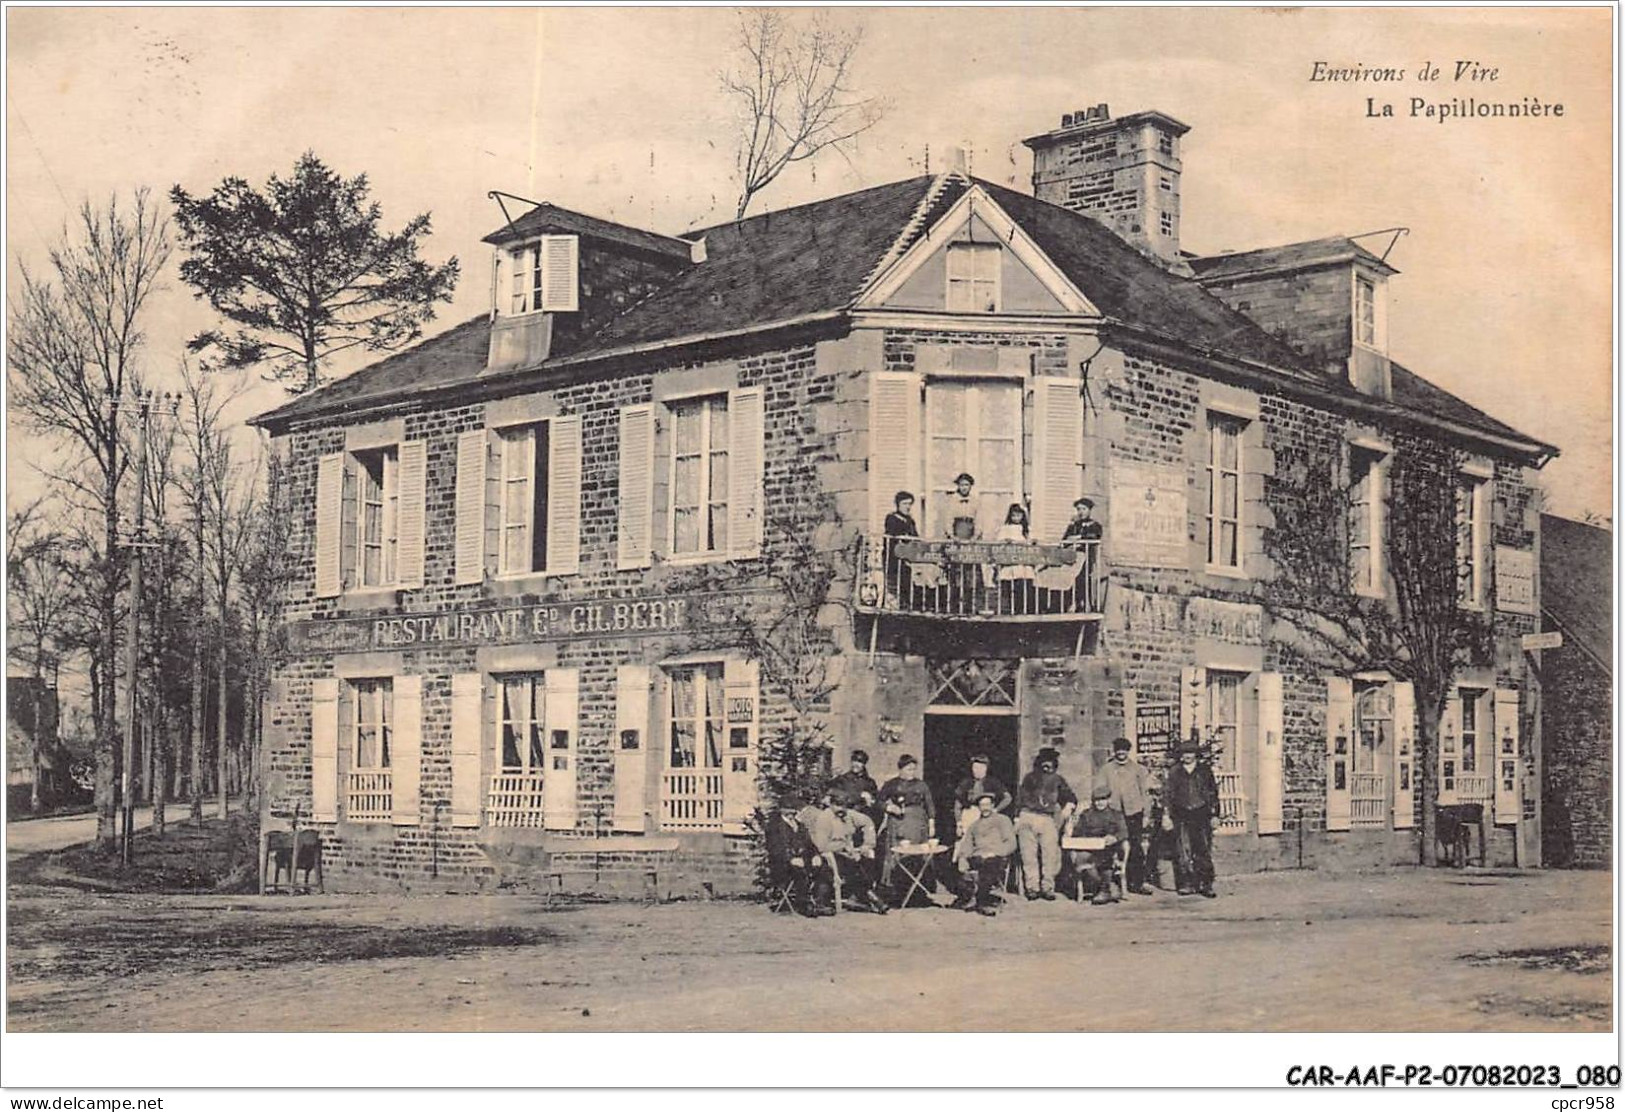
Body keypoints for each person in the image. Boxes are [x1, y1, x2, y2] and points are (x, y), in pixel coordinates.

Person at [800, 790, 887, 914]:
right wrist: (844, 848)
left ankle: (859, 897)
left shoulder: (849, 814)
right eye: (837, 805)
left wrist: (868, 844)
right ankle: (870, 896)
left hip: (846, 853)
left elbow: (868, 822)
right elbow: (822, 846)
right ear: (831, 805)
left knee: (867, 859)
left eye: (844, 806)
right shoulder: (824, 819)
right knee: (850, 865)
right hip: (827, 855)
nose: (841, 809)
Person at [1015, 747, 1077, 900]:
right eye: (1043, 762)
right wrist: (1018, 818)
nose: (1046, 766)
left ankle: (1047, 887)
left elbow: (1071, 798)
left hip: (1047, 819)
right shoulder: (1029, 778)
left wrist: (1064, 813)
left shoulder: (1058, 780)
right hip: (1028, 816)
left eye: (1050, 763)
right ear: (1039, 763)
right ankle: (1032, 887)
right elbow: (1020, 799)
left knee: (1049, 855)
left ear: (1054, 764)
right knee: (1028, 855)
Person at [1162, 740, 1220, 898]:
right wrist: (1166, 815)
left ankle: (1205, 883)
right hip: (1181, 814)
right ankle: (1186, 883)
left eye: (1190, 753)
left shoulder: (1204, 771)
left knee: (1202, 849)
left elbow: (1213, 793)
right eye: (1184, 753)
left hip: (1201, 813)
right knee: (1182, 850)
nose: (1187, 756)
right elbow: (1168, 794)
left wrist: (1215, 815)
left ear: (1196, 755)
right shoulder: (1175, 772)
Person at [1099, 737, 1155, 895]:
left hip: (1134, 812)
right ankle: (1109, 883)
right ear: (1114, 751)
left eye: (1124, 750)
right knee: (1112, 845)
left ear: (1128, 751)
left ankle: (1137, 882)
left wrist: (1146, 814)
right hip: (1114, 813)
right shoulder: (1107, 769)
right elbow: (1100, 790)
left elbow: (1145, 793)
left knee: (1135, 847)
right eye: (1118, 750)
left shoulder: (1138, 769)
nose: (1121, 753)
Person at [879, 754, 937, 903]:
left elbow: (929, 805)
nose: (912, 772)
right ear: (901, 769)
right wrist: (889, 807)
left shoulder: (921, 785)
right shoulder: (891, 784)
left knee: (917, 853)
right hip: (898, 823)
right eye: (908, 769)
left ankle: (918, 889)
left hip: (918, 823)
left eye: (913, 769)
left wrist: (931, 824)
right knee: (899, 853)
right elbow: (879, 801)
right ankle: (896, 890)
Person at [953, 791, 1018, 916]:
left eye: (988, 804)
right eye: (982, 805)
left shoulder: (1002, 820)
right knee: (961, 870)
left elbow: (1011, 843)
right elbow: (967, 845)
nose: (985, 808)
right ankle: (971, 898)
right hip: (977, 857)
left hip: (996, 857)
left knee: (988, 865)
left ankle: (982, 902)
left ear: (993, 805)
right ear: (978, 807)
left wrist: (995, 853)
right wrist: (962, 858)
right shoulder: (974, 825)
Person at [1069, 783, 1130, 905]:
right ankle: (1106, 888)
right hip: (1089, 849)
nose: (1099, 803)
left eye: (1103, 800)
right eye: (1096, 800)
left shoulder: (1116, 815)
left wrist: (1114, 837)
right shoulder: (1086, 815)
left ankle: (1104, 890)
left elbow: (1124, 832)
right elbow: (1077, 833)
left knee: (1106, 858)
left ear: (1109, 800)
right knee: (1082, 859)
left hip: (1108, 849)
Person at [952, 754, 1012, 869]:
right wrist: (959, 823)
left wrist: (995, 810)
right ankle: (965, 875)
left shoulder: (993, 782)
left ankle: (985, 873)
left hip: (987, 814)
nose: (977, 771)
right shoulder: (966, 783)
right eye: (974, 768)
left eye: (980, 767)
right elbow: (957, 805)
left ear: (986, 768)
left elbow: (1008, 798)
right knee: (965, 844)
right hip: (969, 815)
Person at [941, 472, 982, 613]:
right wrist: (953, 537)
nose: (964, 488)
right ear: (958, 485)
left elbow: (979, 521)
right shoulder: (953, 500)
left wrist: (975, 538)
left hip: (970, 539)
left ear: (971, 486)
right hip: (957, 537)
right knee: (955, 572)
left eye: (967, 485)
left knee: (970, 574)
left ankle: (969, 607)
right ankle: (953, 607)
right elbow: (948, 520)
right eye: (961, 484)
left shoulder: (975, 501)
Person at [764, 793, 810, 914]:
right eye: (788, 810)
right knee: (799, 871)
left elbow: (809, 844)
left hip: (801, 859)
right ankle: (804, 904)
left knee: (821, 866)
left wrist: (815, 855)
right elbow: (775, 849)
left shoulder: (800, 826)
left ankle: (821, 901)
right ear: (781, 810)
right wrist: (790, 859)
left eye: (793, 810)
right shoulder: (774, 827)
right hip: (782, 864)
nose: (791, 813)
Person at [1059, 496, 1103, 612]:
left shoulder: (1095, 525)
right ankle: (1070, 604)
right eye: (1079, 509)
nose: (1081, 512)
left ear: (1089, 510)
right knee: (1070, 579)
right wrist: (1071, 535)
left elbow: (1094, 536)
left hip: (1086, 557)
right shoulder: (1074, 525)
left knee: (1083, 579)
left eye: (1084, 509)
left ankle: (1084, 604)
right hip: (1073, 557)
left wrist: (1078, 538)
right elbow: (1065, 539)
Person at [993, 502, 1037, 614]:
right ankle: (1011, 610)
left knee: (1023, 587)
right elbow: (999, 542)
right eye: (1014, 515)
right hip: (1010, 563)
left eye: (1019, 515)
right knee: (1009, 587)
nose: (1016, 518)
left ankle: (1023, 609)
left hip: (1023, 564)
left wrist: (1030, 542)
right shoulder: (1006, 528)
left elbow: (1031, 542)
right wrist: (1006, 541)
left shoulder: (1027, 530)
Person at [882, 491, 922, 606]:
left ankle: (907, 605)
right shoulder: (891, 518)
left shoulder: (910, 520)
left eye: (910, 504)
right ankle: (894, 605)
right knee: (894, 584)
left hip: (907, 557)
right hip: (894, 557)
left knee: (908, 583)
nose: (908, 507)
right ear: (898, 504)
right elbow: (894, 535)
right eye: (905, 504)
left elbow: (915, 536)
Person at [829, 749, 880, 827]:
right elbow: (837, 795)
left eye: (859, 762)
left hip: (864, 816)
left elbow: (875, 799)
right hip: (846, 815)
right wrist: (860, 795)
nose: (856, 764)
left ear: (864, 764)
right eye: (854, 761)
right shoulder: (843, 779)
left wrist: (871, 800)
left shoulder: (870, 782)